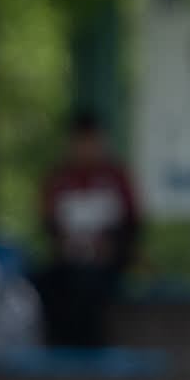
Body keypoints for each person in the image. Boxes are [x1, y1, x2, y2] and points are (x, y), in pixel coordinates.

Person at [36, 109, 139, 348]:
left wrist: (111, 248)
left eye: (92, 142)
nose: (86, 149)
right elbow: (48, 223)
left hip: (109, 260)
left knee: (88, 285)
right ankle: (58, 346)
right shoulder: (59, 179)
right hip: (68, 258)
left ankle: (91, 347)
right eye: (80, 142)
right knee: (46, 283)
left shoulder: (116, 177)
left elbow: (132, 223)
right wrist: (65, 245)